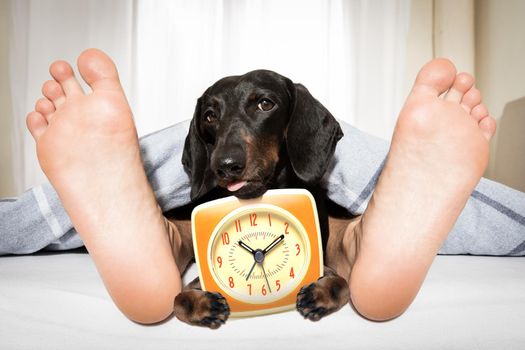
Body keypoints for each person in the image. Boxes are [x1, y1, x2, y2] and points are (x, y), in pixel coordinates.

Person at [2, 49, 524, 324]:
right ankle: (156, 234)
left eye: (261, 106)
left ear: (294, 121)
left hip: (308, 192)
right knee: (199, 218)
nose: (228, 146)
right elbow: (205, 168)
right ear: (202, 133)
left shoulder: (308, 136)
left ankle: (373, 233)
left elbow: (321, 165)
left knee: (328, 218)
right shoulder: (213, 162)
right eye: (214, 119)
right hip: (217, 205)